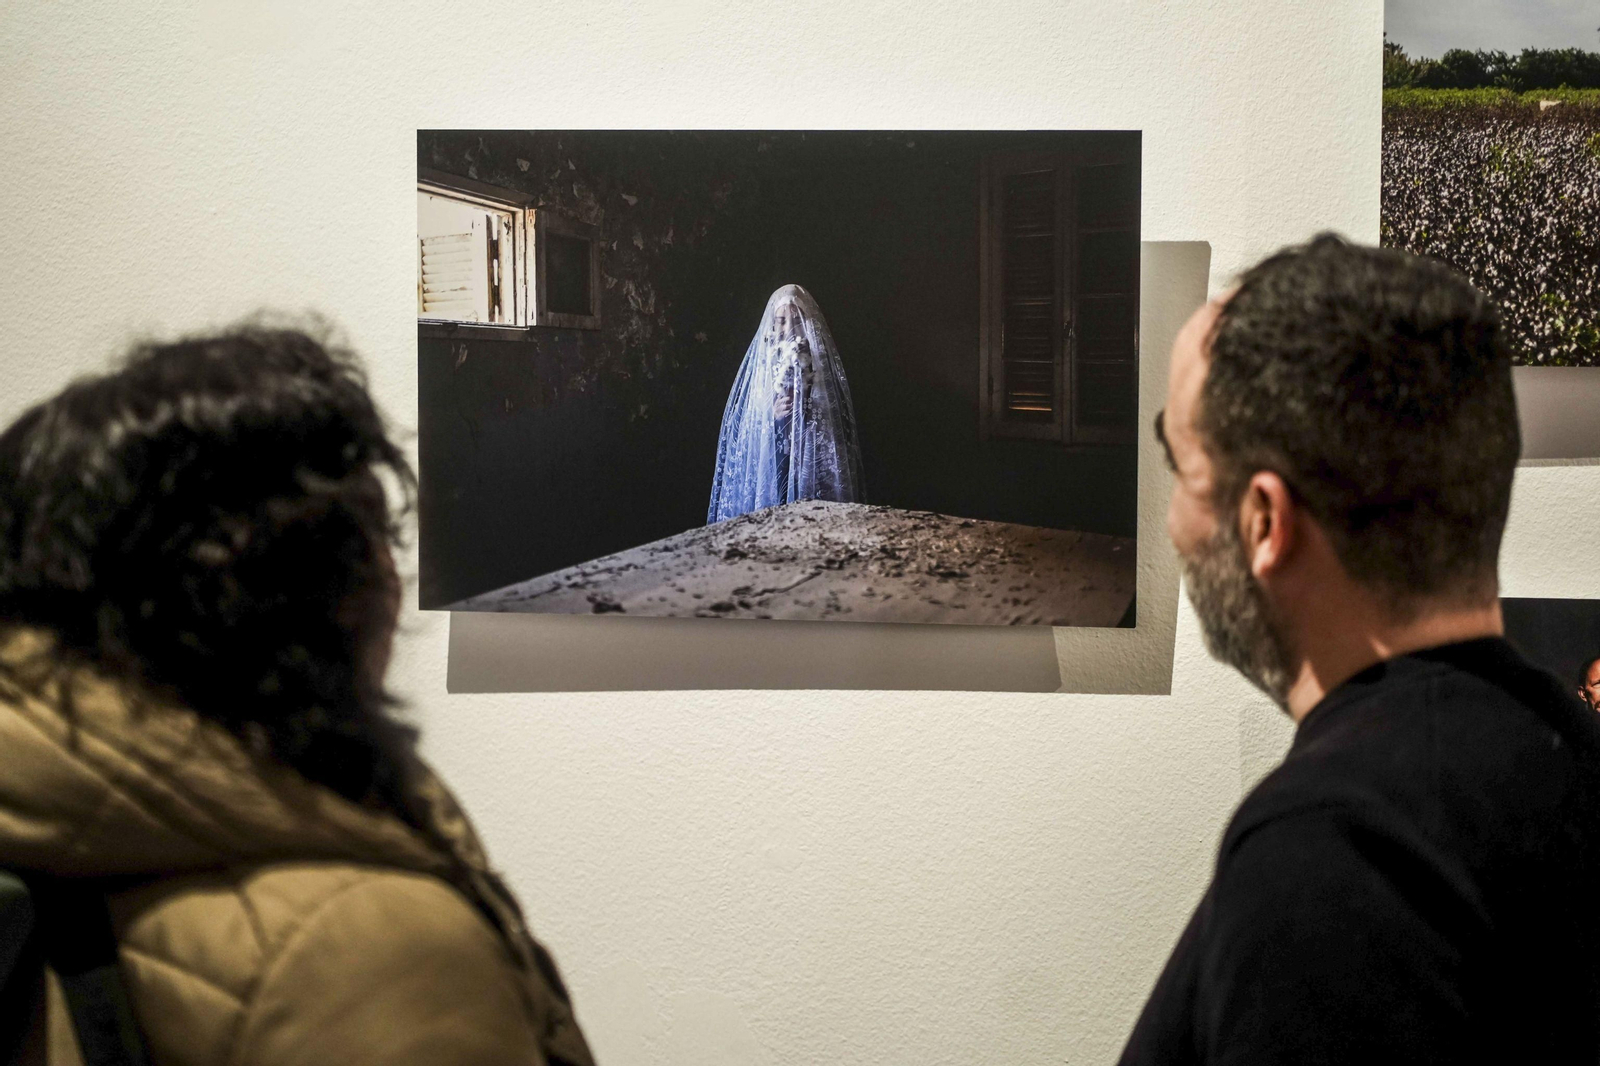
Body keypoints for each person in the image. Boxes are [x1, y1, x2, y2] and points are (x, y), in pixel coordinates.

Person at [0, 325, 594, 1065]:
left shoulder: (41, 804)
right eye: (373, 532)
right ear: (330, 585)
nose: (394, 577)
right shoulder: (373, 948)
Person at [1123, 234, 1600, 1063]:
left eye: (1182, 465)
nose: (1173, 523)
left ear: (1265, 523)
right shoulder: (1566, 755)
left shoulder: (1344, 855)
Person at [707, 284, 864, 523]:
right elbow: (750, 426)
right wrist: (772, 415)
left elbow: (834, 425)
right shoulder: (763, 362)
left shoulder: (820, 362)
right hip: (773, 462)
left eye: (797, 320)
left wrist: (808, 408)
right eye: (781, 320)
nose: (789, 329)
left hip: (810, 461)